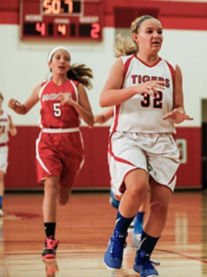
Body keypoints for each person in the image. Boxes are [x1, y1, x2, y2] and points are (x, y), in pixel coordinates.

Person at [101, 15, 192, 276]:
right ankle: (117, 239)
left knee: (161, 203)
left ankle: (143, 259)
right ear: (136, 37)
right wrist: (135, 89)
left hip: (162, 139)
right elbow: (105, 98)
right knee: (138, 187)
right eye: (150, 31)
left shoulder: (173, 69)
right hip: (128, 136)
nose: (156, 36)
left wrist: (179, 114)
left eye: (160, 31)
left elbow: (178, 105)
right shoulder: (124, 64)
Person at [8, 46, 94, 259]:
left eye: (66, 58)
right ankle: (50, 239)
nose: (62, 60)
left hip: (72, 140)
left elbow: (91, 120)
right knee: (50, 184)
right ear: (50, 64)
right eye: (58, 57)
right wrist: (15, 106)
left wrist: (73, 103)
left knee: (63, 197)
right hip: (47, 140)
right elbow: (24, 109)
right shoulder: (42, 87)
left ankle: (60, 200)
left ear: (68, 65)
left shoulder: (76, 87)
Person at [94, 107, 147, 243]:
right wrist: (91, 119)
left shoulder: (151, 103)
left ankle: (139, 222)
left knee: (145, 186)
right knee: (122, 191)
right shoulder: (123, 99)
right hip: (122, 145)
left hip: (146, 144)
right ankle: (116, 195)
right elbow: (104, 116)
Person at [0, 92, 17, 216]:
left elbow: (13, 130)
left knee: (0, 176)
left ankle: (0, 206)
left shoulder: (7, 116)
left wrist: (12, 130)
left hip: (2, 148)